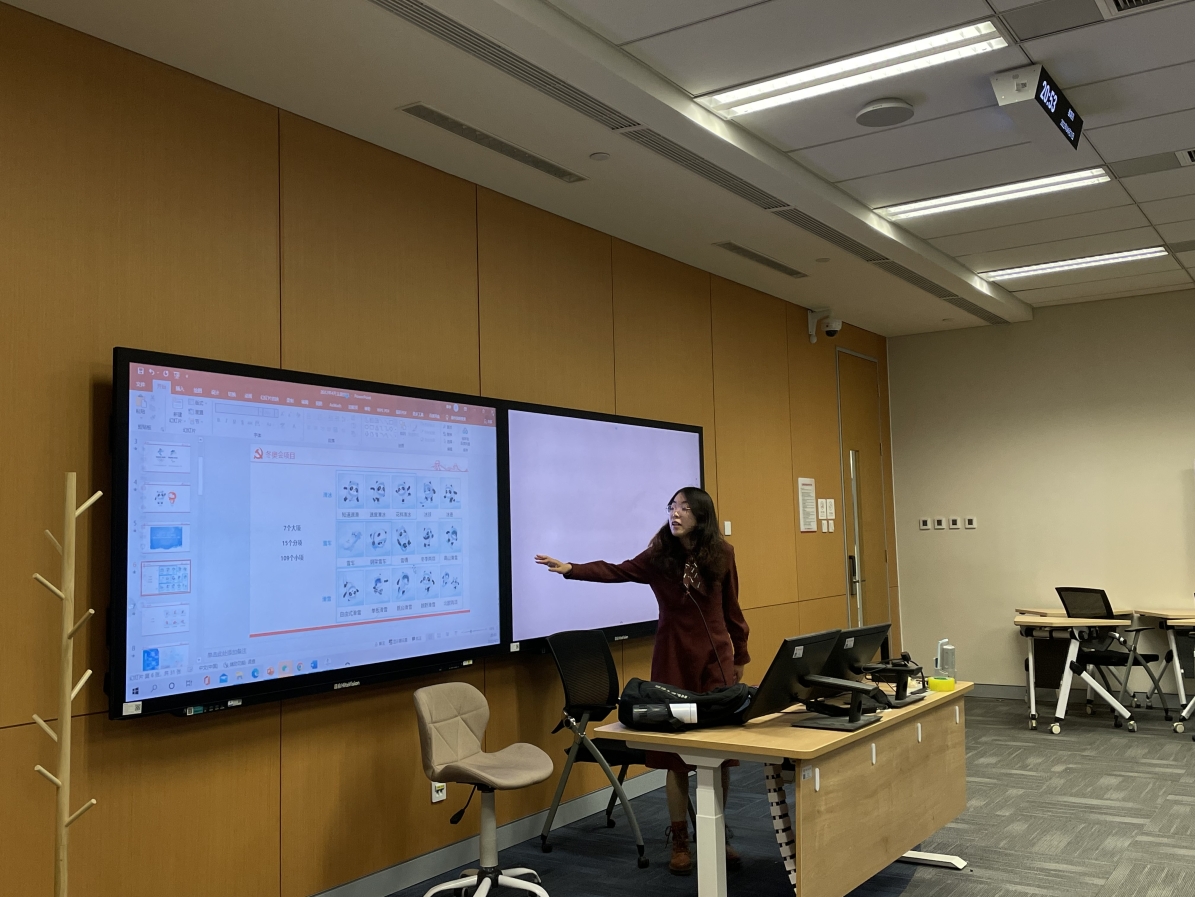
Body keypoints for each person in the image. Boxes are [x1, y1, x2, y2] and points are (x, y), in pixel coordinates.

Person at [536, 486, 750, 876]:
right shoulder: (659, 555)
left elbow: (732, 608)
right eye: (671, 507)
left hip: (714, 661)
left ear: (702, 515)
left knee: (718, 755)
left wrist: (741, 656)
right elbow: (616, 571)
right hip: (672, 662)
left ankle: (717, 833)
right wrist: (572, 569)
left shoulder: (723, 554)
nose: (675, 513)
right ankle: (680, 839)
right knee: (675, 757)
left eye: (684, 508)